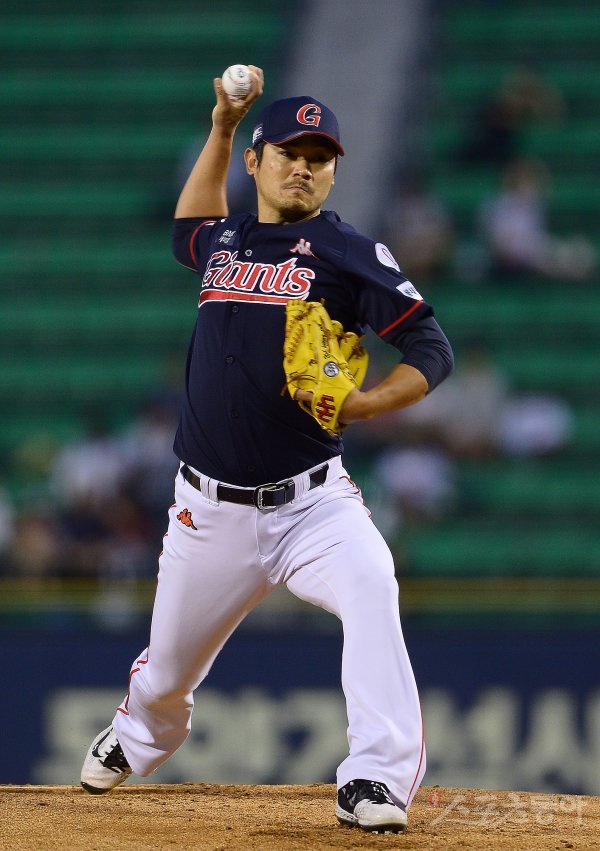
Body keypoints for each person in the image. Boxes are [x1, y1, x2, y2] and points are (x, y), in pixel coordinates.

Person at [80, 66, 454, 834]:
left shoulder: (346, 251)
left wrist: (370, 403)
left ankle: (375, 777)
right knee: (167, 673)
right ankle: (139, 731)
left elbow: (430, 345)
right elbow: (187, 226)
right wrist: (221, 126)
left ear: (333, 172)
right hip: (208, 510)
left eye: (320, 157)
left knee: (372, 582)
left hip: (312, 502)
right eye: (289, 151)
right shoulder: (224, 239)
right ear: (255, 161)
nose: (305, 166)